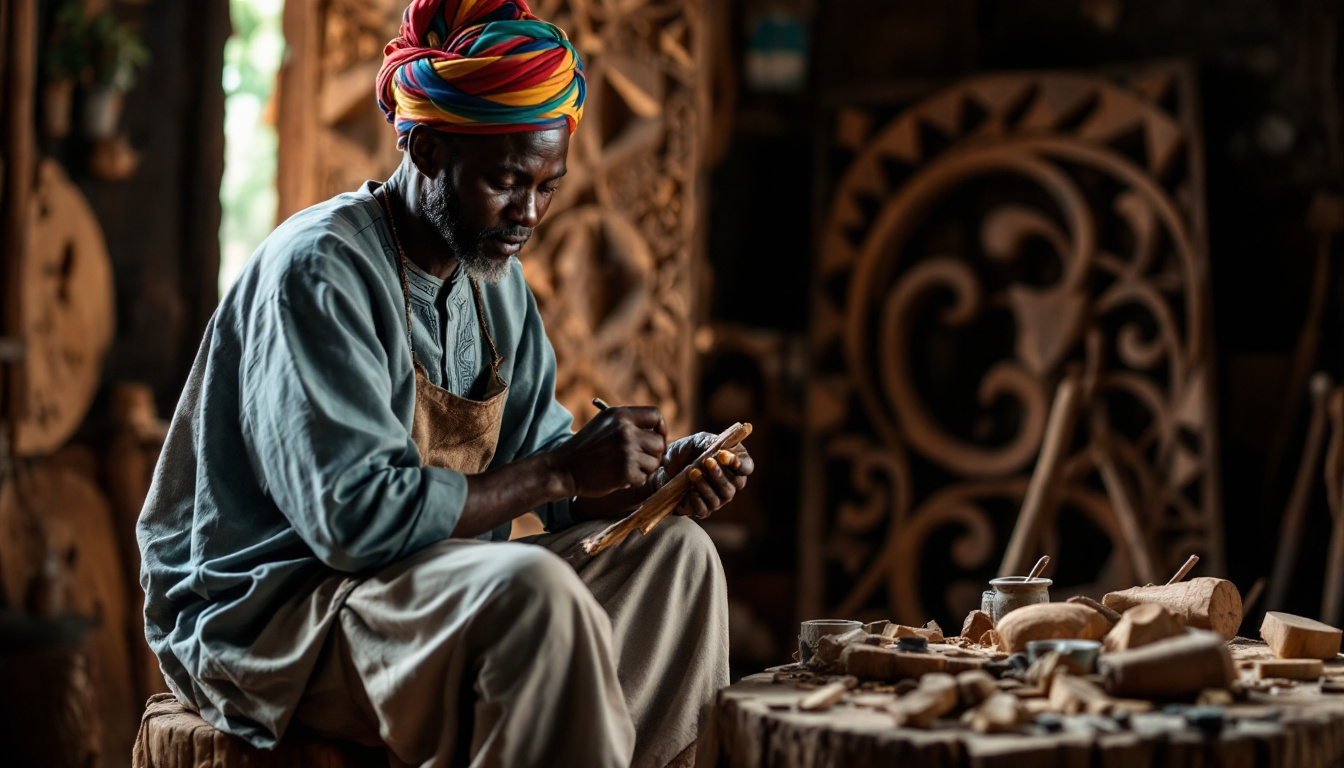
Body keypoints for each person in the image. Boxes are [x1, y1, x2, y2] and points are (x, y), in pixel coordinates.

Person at [136, 1, 752, 766]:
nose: (529, 214)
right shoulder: (319, 272)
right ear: (426, 149)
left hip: (413, 592)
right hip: (285, 613)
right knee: (534, 595)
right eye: (505, 181)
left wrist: (656, 478)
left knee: (679, 561)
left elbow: (550, 475)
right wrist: (560, 468)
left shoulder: (495, 284)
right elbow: (352, 523)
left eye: (547, 186)